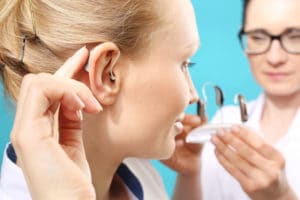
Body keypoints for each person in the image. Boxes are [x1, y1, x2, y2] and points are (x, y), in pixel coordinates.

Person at [0, 0, 204, 199]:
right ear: (107, 74)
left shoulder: (138, 175)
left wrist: (189, 177)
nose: (193, 95)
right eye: (184, 64)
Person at [200, 0, 300, 199]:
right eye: (258, 37)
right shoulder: (224, 121)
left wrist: (280, 197)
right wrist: (190, 172)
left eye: (295, 37)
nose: (274, 58)